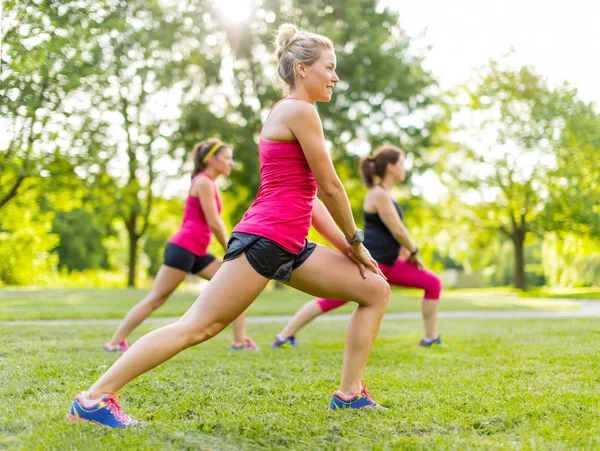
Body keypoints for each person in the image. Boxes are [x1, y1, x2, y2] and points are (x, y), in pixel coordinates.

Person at [68, 23, 390, 428]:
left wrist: (346, 247)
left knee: (375, 289)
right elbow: (330, 186)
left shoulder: (292, 113)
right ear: (304, 69)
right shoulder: (299, 110)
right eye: (330, 67)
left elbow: (307, 200)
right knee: (199, 327)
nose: (335, 77)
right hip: (266, 239)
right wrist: (356, 240)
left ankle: (349, 395)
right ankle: (93, 399)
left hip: (288, 241)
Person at [272, 145, 443, 349]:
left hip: (390, 264)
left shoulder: (386, 194)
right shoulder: (378, 194)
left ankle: (430, 338)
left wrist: (408, 254)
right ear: (390, 167)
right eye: (401, 164)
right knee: (331, 300)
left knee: (432, 283)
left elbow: (392, 233)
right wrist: (414, 252)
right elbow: (398, 230)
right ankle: (284, 337)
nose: (404, 168)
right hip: (372, 263)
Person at [103, 139, 258, 352]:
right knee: (156, 299)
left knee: (237, 287)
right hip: (183, 249)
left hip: (198, 252)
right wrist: (232, 248)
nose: (231, 163)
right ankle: (115, 342)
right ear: (212, 159)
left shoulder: (207, 183)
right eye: (228, 158)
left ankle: (240, 341)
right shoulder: (203, 182)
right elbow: (214, 221)